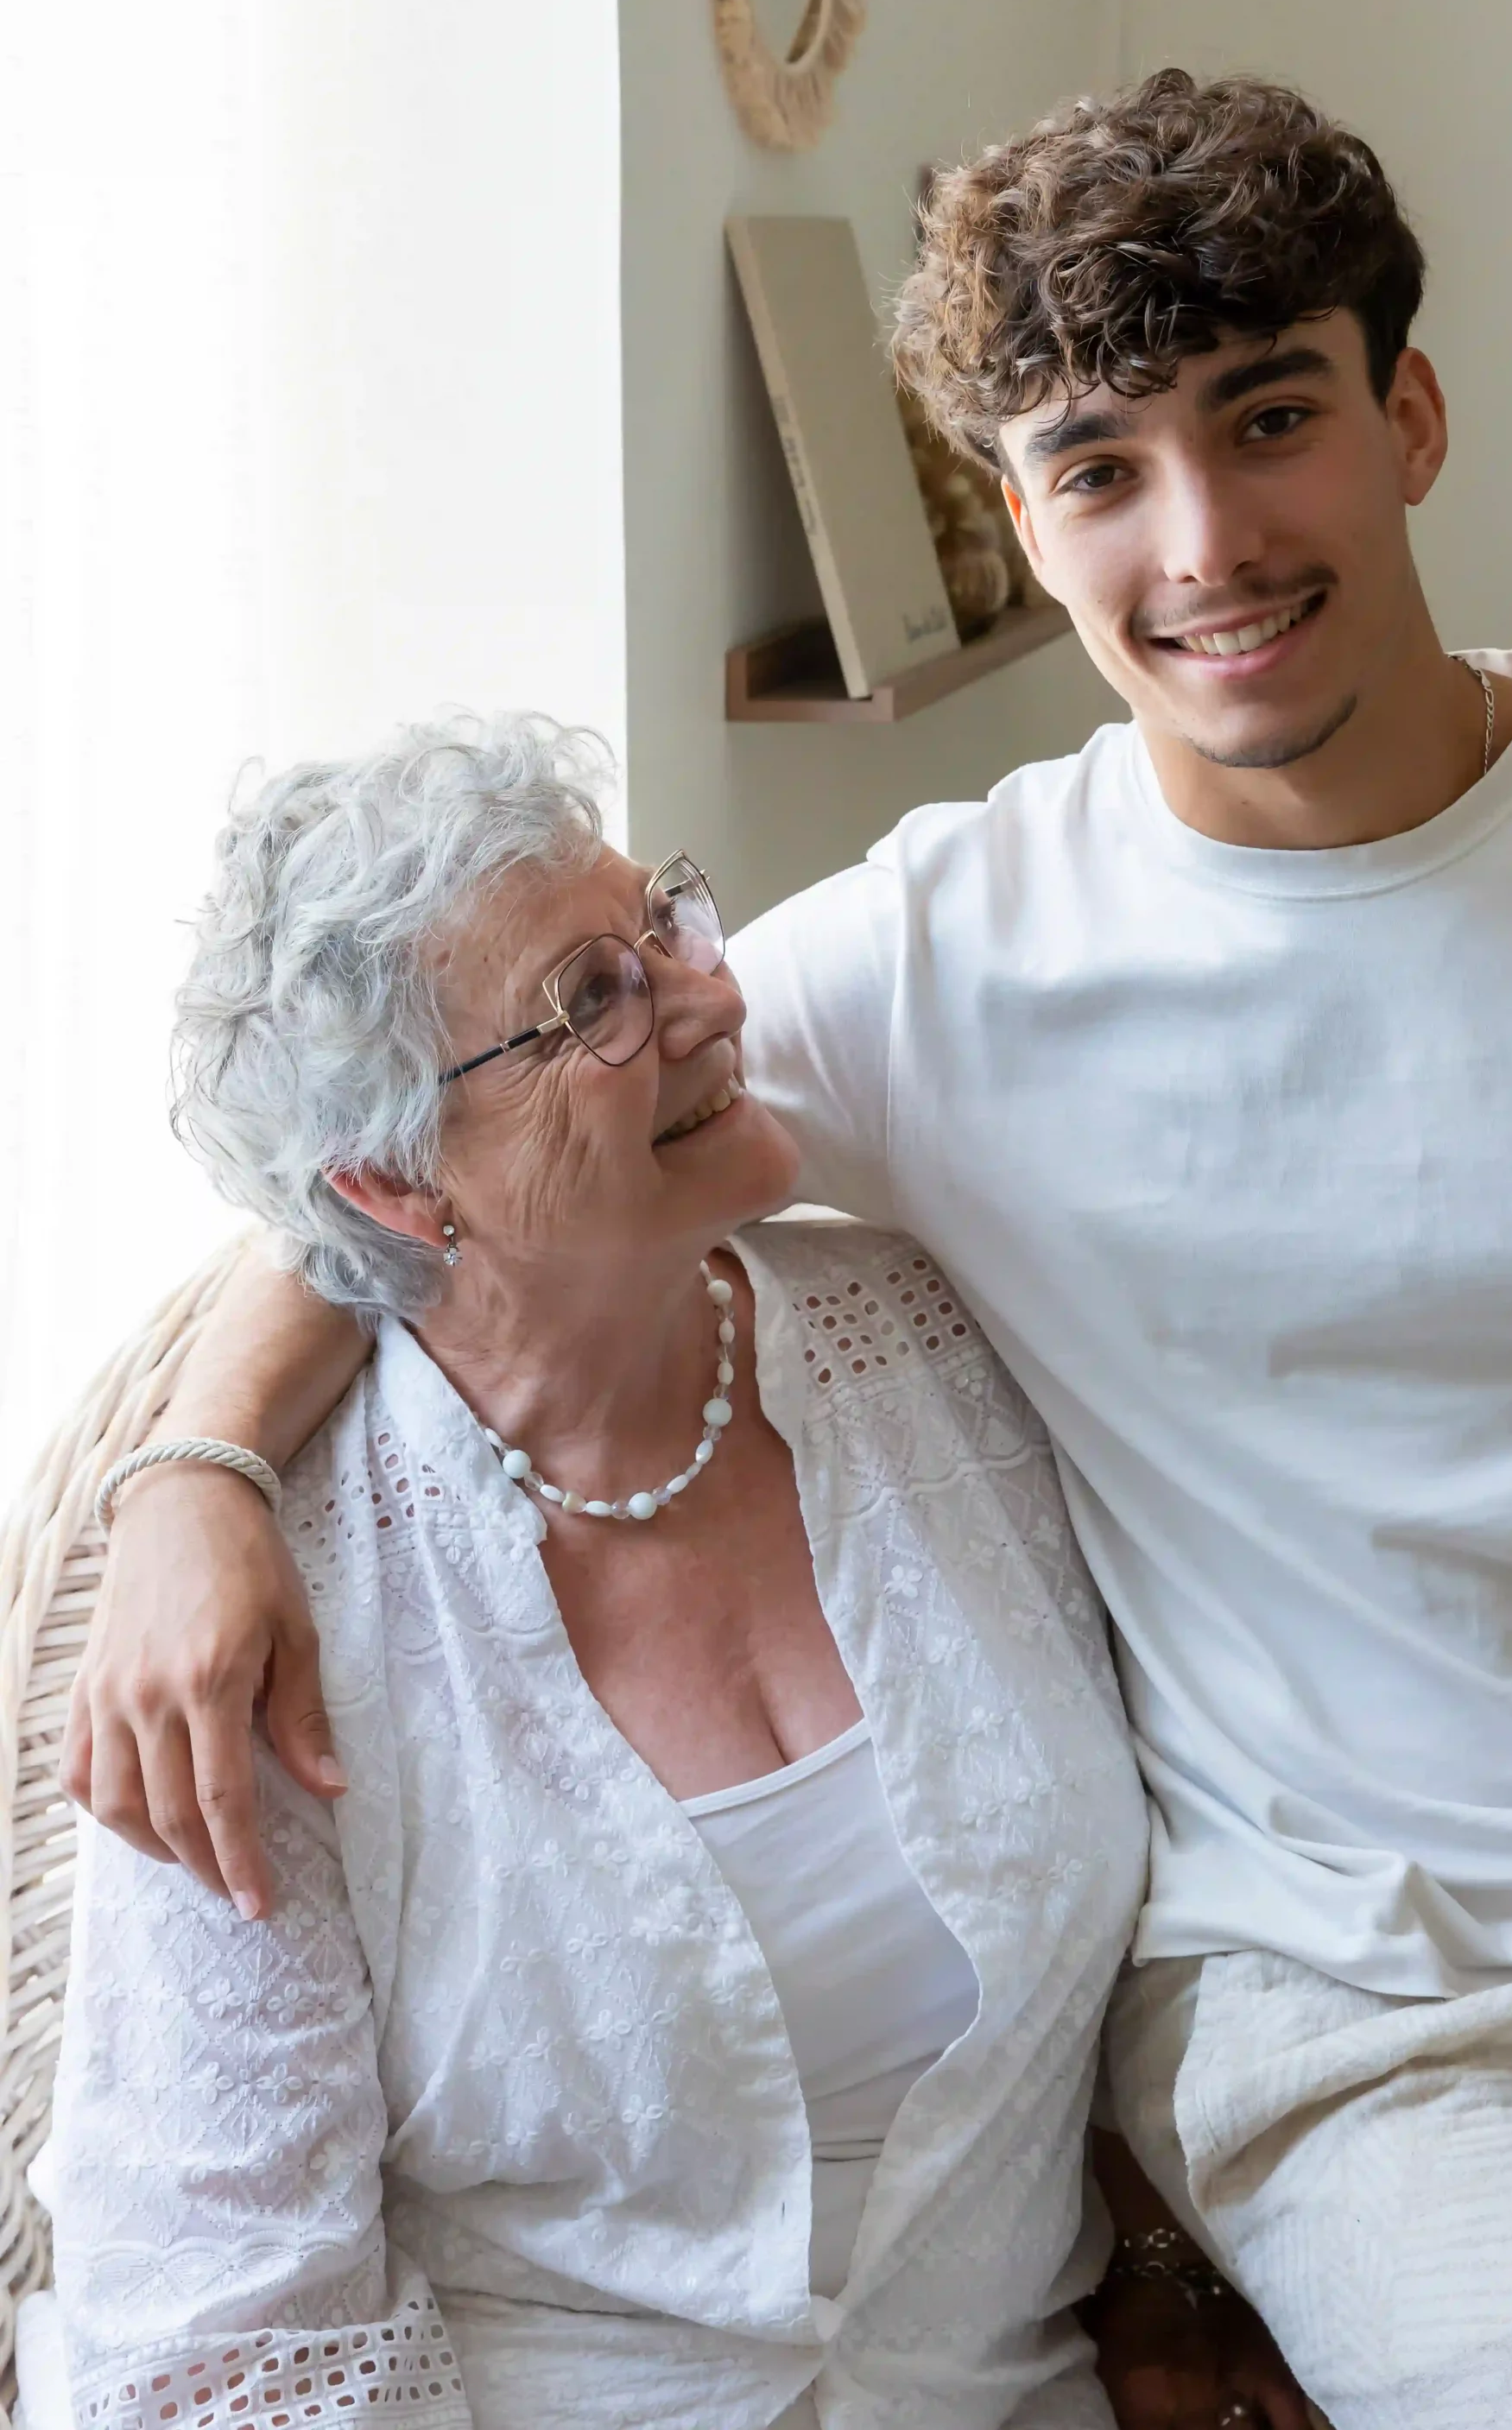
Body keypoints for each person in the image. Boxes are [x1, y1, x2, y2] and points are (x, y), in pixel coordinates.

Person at [62, 64, 1512, 2427]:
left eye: (1272, 418)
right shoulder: (950, 959)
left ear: (1408, 419)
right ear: (1025, 524)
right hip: (1388, 2018)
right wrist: (195, 1474)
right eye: (1100, 470)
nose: (1206, 542)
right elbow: (409, 1177)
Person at [35, 718, 1311, 2430]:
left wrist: (1168, 2253)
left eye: (667, 923)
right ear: (397, 1184)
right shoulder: (267, 1635)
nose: (709, 998)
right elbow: (228, 2315)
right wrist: (191, 1471)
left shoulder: (935, 1352)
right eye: (591, 1002)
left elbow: (1169, 1894)